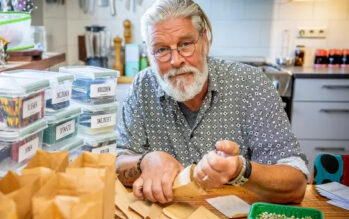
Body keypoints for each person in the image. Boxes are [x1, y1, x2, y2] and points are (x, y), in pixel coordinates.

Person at [116, 0, 309, 205]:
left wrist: (240, 169)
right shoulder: (142, 86)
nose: (176, 61)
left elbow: (296, 185)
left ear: (205, 41)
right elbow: (118, 162)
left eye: (186, 44)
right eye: (162, 49)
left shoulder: (250, 83)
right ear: (149, 55)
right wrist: (145, 161)